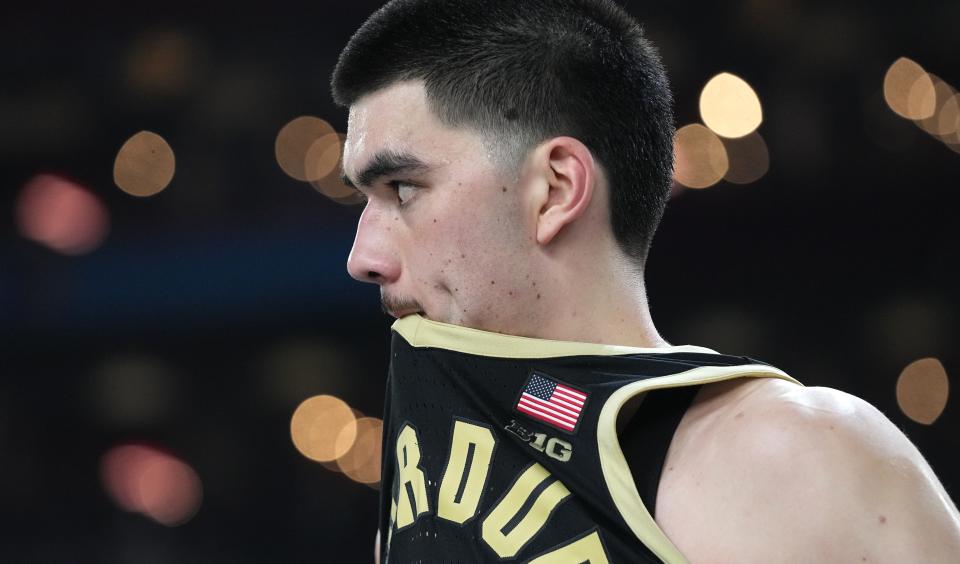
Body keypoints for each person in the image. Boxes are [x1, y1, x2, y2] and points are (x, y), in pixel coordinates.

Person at [330, 0, 960, 561]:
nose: (363, 256)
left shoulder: (795, 461)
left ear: (554, 189)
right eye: (363, 199)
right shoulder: (413, 507)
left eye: (403, 189)